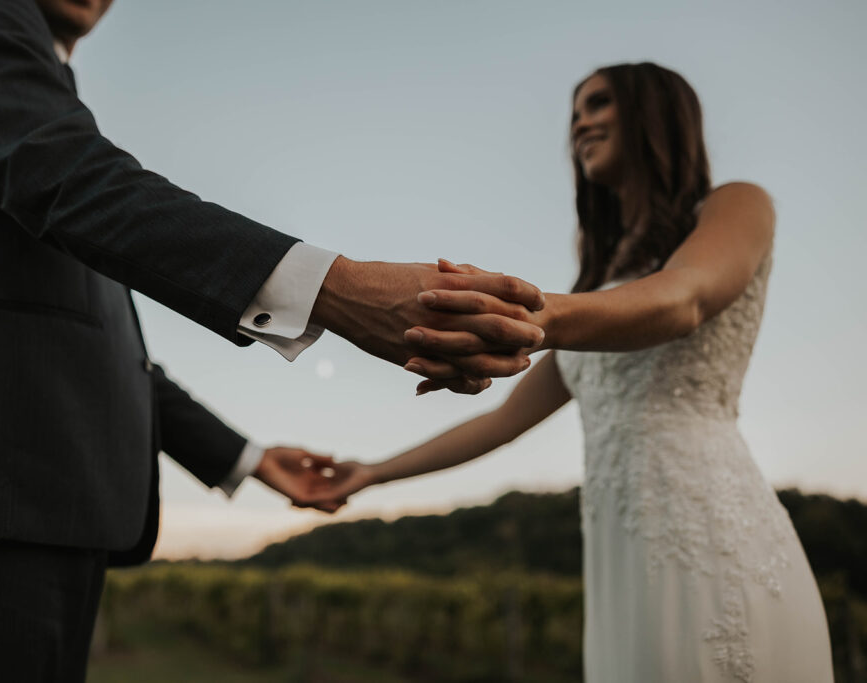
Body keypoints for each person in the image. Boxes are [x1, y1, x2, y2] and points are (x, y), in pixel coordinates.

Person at [0, 0, 548, 681]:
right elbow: (64, 176)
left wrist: (248, 459)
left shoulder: (42, 84)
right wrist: (333, 286)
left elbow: (92, 342)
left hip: (47, 503)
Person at [311, 62, 834, 682]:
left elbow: (685, 298)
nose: (580, 120)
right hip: (621, 553)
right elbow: (504, 420)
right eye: (575, 111)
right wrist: (371, 474)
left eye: (600, 102)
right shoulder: (602, 287)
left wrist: (527, 311)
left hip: (715, 533)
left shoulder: (734, 205)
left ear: (656, 112)